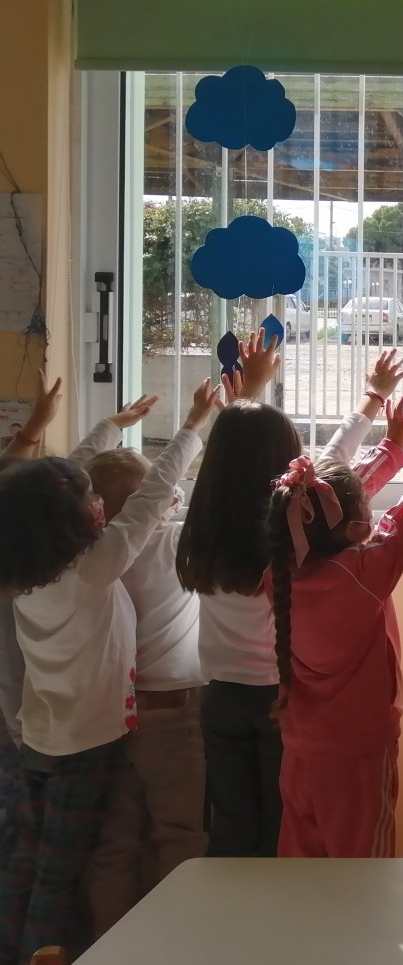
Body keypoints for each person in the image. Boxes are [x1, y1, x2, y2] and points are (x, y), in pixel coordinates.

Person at [0, 374, 216, 962]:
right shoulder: (99, 567)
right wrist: (191, 426)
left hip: (43, 737)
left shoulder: (27, 567)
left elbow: (47, 489)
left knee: (80, 850)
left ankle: (96, 946)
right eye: (88, 501)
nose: (95, 504)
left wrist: (110, 428)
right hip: (101, 739)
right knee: (74, 862)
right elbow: (152, 500)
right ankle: (50, 949)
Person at [178, 338, 403, 857]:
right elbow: (338, 463)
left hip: (220, 698)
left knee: (232, 830)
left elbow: (240, 449)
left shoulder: (204, 518)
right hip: (281, 701)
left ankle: (235, 910)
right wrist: (376, 402)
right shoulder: (290, 529)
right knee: (283, 833)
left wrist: (250, 393)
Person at [265, 392, 403, 859]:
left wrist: (391, 448)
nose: (371, 507)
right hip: (359, 754)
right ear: (353, 527)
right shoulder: (364, 574)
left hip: (300, 752)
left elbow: (324, 502)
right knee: (364, 873)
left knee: (301, 870)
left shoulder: (279, 572)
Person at [80, 396, 216, 933]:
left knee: (115, 841)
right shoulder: (176, 546)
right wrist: (194, 427)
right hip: (175, 715)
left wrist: (108, 428)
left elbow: (77, 472)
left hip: (113, 716)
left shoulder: (88, 560)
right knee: (180, 836)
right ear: (147, 507)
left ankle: (108, 942)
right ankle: (175, 942)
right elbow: (209, 504)